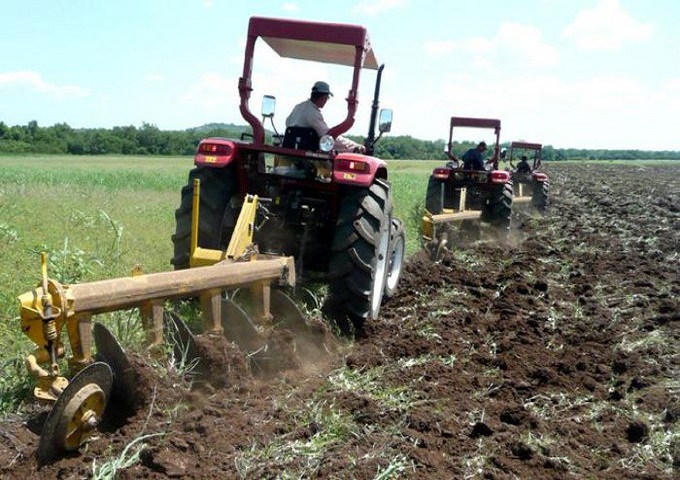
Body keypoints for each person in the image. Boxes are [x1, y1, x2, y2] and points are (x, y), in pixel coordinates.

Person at [286, 81, 366, 153]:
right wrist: (354, 146)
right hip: (308, 153)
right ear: (322, 97)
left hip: (291, 148)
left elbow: (287, 122)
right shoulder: (313, 114)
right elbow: (328, 138)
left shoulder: (298, 107)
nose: (326, 101)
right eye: (327, 98)